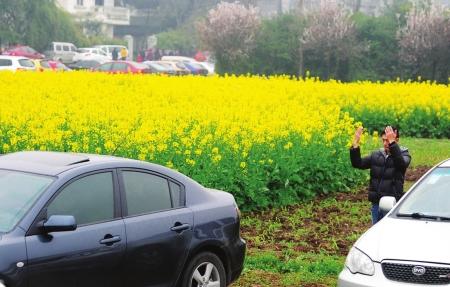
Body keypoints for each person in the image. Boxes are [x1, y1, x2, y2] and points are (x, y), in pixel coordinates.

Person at [350, 126, 411, 224]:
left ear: (397, 140)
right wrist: (355, 145)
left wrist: (392, 143)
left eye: (388, 140)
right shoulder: (376, 155)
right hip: (376, 204)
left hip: (392, 205)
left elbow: (401, 164)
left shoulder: (404, 155)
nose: (385, 143)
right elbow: (358, 163)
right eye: (384, 140)